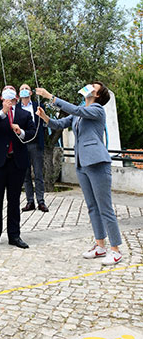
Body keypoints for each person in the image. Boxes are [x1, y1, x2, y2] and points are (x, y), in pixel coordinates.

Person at [36, 82, 123, 266]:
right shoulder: (79, 114)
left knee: (105, 208)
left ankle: (115, 250)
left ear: (98, 95)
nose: (88, 87)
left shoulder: (97, 110)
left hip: (97, 162)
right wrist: (44, 117)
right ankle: (100, 246)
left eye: (93, 87)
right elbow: (59, 123)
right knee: (92, 206)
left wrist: (50, 97)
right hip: (82, 164)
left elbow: (77, 111)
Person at [0, 85, 36, 249]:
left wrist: (20, 132)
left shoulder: (24, 114)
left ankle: (14, 235)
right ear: (1, 97)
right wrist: (3, 112)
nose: (9, 92)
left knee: (14, 200)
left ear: (16, 98)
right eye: (6, 91)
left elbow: (32, 133)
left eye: (12, 91)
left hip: (16, 162)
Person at [19, 83, 49, 213]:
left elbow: (45, 122)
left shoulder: (38, 106)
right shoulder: (16, 108)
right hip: (22, 144)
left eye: (26, 89)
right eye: (22, 89)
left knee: (38, 174)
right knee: (25, 175)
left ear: (31, 93)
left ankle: (41, 202)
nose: (24, 91)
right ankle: (30, 201)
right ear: (19, 94)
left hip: (36, 144)